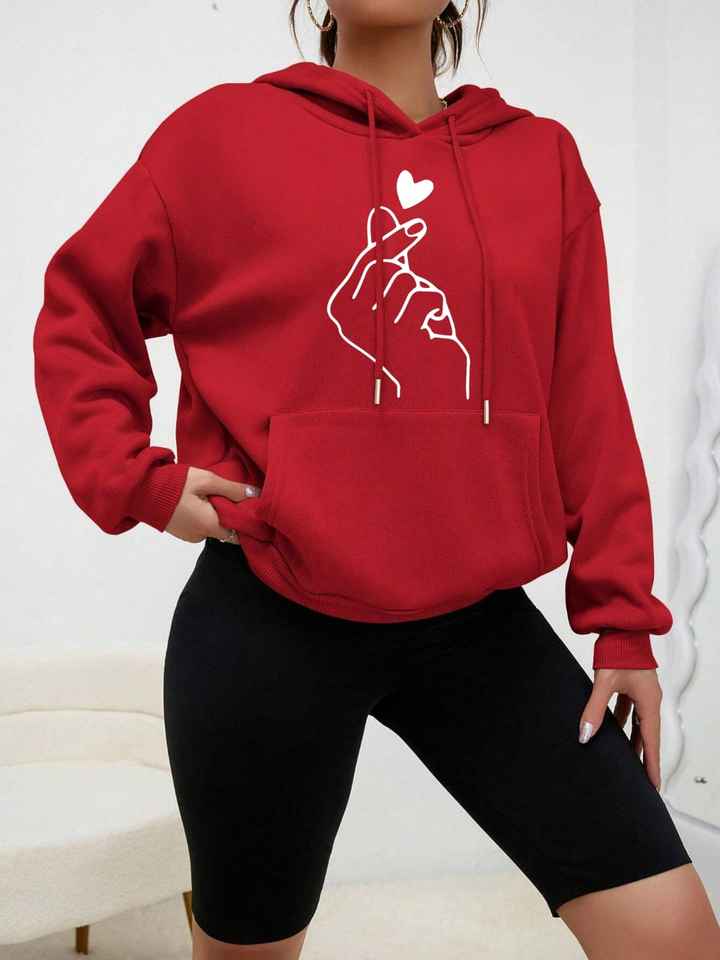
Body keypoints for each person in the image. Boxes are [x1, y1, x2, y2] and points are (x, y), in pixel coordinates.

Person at [32, 2, 720, 958]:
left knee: (675, 935)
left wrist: (623, 618)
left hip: (477, 624)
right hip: (266, 618)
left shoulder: (543, 163)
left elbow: (587, 403)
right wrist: (140, 480)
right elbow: (81, 309)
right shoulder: (217, 138)